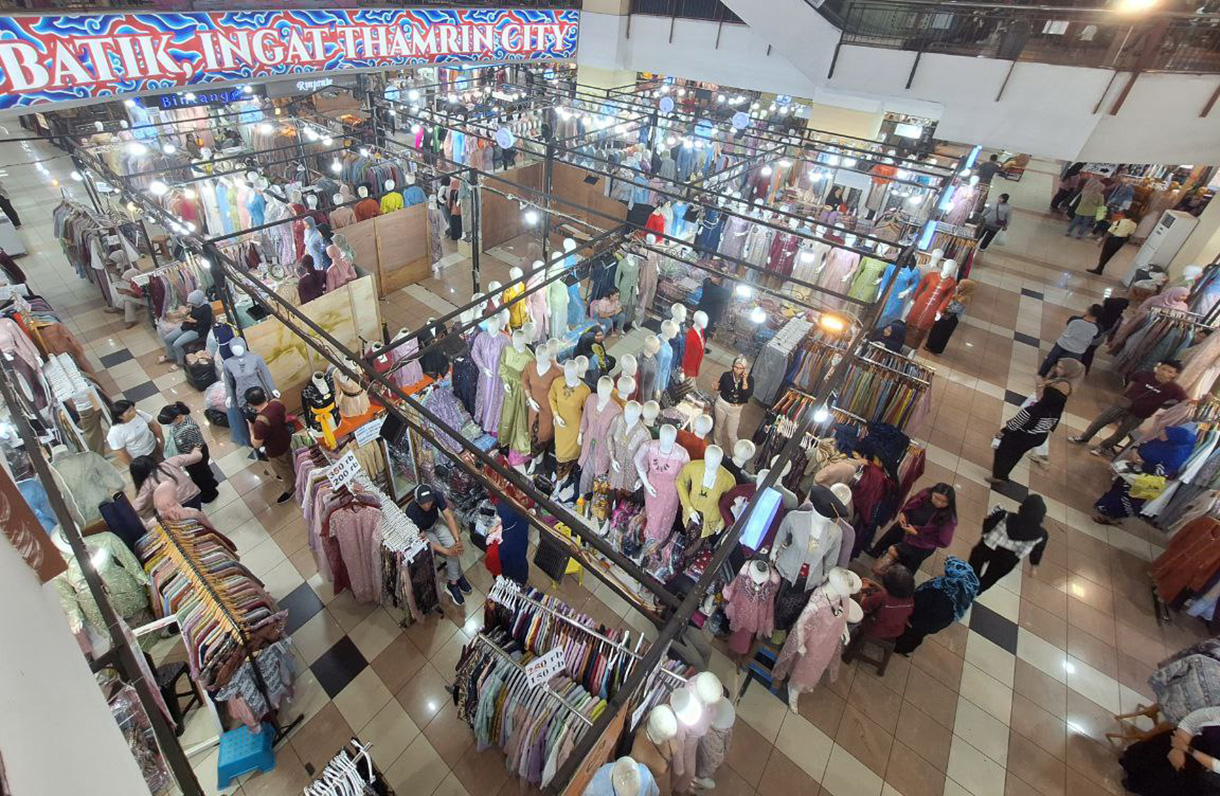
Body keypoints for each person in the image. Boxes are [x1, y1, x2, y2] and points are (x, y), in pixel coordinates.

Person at [1069, 359, 1188, 456]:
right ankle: (1084, 437)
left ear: (1175, 374)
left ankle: (1103, 447)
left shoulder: (1174, 388)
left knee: (1121, 433)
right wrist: (1126, 394)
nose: (1164, 373)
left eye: (1169, 371)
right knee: (1100, 421)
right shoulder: (1146, 374)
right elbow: (1133, 379)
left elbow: (1185, 400)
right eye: (1163, 369)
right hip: (1123, 404)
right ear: (1159, 367)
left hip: (1139, 414)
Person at [990, 358, 1081, 483]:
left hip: (1023, 435)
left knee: (1003, 451)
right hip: (1038, 436)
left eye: (1061, 367)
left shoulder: (1032, 411)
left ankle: (998, 477)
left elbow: (1016, 424)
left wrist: (1003, 431)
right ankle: (1001, 475)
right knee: (1016, 454)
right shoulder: (1055, 408)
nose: (1056, 369)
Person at [1093, 426, 1194, 525]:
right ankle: (1105, 508)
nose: (1161, 432)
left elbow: (1164, 472)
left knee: (1127, 498)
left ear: (1173, 437)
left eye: (1165, 432)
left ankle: (1112, 517)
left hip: (1144, 480)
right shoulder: (1158, 442)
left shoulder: (1175, 454)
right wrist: (1134, 452)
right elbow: (1140, 444)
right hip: (1132, 473)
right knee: (1117, 490)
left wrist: (1143, 464)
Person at [1119, 706, 1220, 795]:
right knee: (1163, 745)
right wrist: (1179, 747)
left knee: (1176, 773)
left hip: (1207, 762)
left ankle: (1138, 784)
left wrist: (1185, 749)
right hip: (1195, 741)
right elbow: (1194, 720)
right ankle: (1132, 764)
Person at [894, 557, 979, 655]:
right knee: (917, 636)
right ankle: (907, 648)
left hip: (918, 620)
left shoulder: (941, 593)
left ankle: (898, 647)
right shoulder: (961, 593)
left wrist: (910, 619)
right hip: (930, 624)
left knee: (908, 635)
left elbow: (922, 604)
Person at [867, 483, 957, 574]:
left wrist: (917, 534)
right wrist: (904, 513)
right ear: (932, 493)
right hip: (906, 525)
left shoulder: (948, 518)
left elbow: (943, 542)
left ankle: (895, 579)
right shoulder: (925, 494)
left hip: (921, 543)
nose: (938, 503)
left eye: (944, 502)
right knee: (890, 538)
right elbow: (911, 502)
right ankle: (876, 552)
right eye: (936, 498)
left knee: (907, 565)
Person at [404, 484, 472, 604]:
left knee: (452, 545)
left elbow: (448, 516)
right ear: (416, 501)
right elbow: (423, 540)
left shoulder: (436, 495)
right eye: (423, 503)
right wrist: (447, 551)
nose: (427, 505)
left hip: (436, 523)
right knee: (449, 551)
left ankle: (453, 580)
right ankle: (455, 580)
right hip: (424, 533)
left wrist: (457, 540)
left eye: (429, 502)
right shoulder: (411, 512)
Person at [969, 496, 1049, 593]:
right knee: (989, 579)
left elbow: (987, 525)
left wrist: (985, 532)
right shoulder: (1040, 535)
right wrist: (1033, 566)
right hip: (1007, 560)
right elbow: (1037, 551)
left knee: (973, 568)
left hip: (988, 547)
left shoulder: (1003, 515)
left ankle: (966, 584)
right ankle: (974, 592)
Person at [156, 402, 219, 503]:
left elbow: (198, 444)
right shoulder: (180, 421)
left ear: (178, 416)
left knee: (199, 476)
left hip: (194, 456)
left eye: (169, 423)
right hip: (189, 454)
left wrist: (192, 457)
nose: (168, 426)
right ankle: (212, 482)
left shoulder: (190, 428)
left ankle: (209, 495)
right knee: (204, 472)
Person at [246, 387, 296, 504]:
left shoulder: (260, 422)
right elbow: (284, 417)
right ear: (264, 395)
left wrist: (251, 429)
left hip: (275, 449)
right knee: (288, 458)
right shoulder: (276, 402)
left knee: (282, 468)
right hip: (285, 438)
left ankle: (291, 488)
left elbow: (256, 444)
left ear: (250, 405)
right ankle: (294, 472)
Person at [129, 451, 209, 523]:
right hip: (194, 494)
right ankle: (201, 521)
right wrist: (196, 449)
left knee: (187, 521)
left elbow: (137, 506)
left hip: (178, 505)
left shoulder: (147, 482)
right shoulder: (170, 462)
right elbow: (197, 457)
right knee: (196, 513)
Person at [1037, 303, 1101, 377]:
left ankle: (1041, 375)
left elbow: (1068, 324)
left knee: (1050, 360)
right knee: (1065, 368)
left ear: (1088, 311)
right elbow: (1096, 336)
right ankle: (1053, 381)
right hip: (1077, 350)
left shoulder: (1074, 319)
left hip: (1062, 344)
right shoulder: (1098, 328)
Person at [855, 564, 916, 641]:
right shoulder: (910, 599)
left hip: (875, 629)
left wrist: (861, 592)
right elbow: (890, 595)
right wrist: (875, 584)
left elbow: (864, 605)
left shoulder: (881, 597)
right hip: (896, 630)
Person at [158, 290, 212, 369]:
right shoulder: (195, 305)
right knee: (167, 339)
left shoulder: (206, 308)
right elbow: (193, 313)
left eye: (193, 303)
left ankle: (180, 362)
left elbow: (207, 322)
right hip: (188, 325)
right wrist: (187, 315)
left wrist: (194, 321)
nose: (192, 305)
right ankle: (171, 356)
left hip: (198, 330)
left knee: (177, 344)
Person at [924, 279, 976, 354]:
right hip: (945, 316)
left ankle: (934, 348)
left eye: (961, 286)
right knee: (936, 330)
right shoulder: (960, 293)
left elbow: (954, 309)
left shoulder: (965, 298)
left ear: (966, 288)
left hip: (950, 319)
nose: (958, 287)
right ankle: (929, 345)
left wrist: (943, 307)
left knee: (941, 334)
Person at [713, 356, 753, 450]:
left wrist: (744, 380)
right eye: (736, 367)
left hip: (736, 408)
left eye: (741, 368)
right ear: (732, 366)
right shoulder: (726, 375)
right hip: (722, 404)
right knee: (719, 425)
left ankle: (735, 453)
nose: (738, 370)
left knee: (732, 434)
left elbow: (747, 394)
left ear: (744, 369)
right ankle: (717, 443)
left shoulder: (750, 379)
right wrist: (716, 387)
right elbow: (720, 387)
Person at [106, 400, 163, 465]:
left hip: (154, 447)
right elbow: (120, 452)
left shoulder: (139, 414)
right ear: (120, 416)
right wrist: (132, 465)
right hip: (140, 458)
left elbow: (154, 425)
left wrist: (161, 442)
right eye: (129, 411)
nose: (134, 411)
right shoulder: (115, 432)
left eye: (133, 408)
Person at [1080, 296, 1129, 371]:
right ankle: (1085, 368)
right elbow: (1113, 332)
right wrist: (1110, 340)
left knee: (1080, 350)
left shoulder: (1099, 314)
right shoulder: (1118, 318)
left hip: (1088, 335)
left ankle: (1077, 365)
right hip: (1099, 339)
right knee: (1089, 353)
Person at [1089, 211, 1138, 275]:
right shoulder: (1134, 224)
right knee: (1110, 255)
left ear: (1123, 215)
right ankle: (1100, 268)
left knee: (1104, 254)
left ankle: (1099, 269)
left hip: (1113, 239)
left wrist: (1101, 241)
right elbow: (1130, 233)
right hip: (1121, 241)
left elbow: (1109, 233)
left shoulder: (1118, 222)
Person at [696, 274, 731, 340]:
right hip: (708, 317)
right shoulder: (720, 292)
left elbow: (706, 280)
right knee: (702, 336)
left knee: (699, 334)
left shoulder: (708, 286)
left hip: (703, 314)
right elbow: (728, 293)